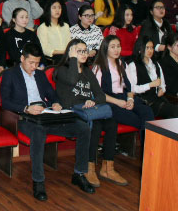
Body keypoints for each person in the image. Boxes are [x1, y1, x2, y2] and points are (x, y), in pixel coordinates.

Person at [1, 43, 95, 200]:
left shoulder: (39, 74)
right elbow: (5, 102)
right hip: (24, 118)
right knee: (38, 133)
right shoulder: (10, 75)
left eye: (37, 63)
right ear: (22, 58)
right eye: (31, 63)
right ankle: (38, 181)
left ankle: (79, 174)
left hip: (46, 115)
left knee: (83, 128)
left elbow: (52, 94)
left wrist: (56, 103)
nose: (34, 67)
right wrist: (26, 108)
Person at [53, 40, 128, 189]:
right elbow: (72, 79)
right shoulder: (61, 70)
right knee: (96, 126)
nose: (83, 54)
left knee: (111, 123)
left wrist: (92, 101)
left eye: (85, 51)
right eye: (79, 51)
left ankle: (108, 167)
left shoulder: (87, 71)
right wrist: (73, 60)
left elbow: (100, 95)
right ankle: (89, 167)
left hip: (88, 110)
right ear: (70, 52)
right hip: (73, 111)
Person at [92, 36, 154, 136]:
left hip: (123, 97)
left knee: (147, 112)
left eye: (118, 46)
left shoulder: (122, 63)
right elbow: (97, 93)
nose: (116, 50)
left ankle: (148, 145)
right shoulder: (99, 67)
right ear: (105, 48)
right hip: (109, 101)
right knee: (138, 120)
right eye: (113, 47)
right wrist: (118, 102)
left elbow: (129, 86)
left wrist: (130, 99)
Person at [126, 37, 178, 119]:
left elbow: (162, 83)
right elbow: (132, 88)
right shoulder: (133, 65)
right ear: (140, 49)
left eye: (152, 48)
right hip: (144, 102)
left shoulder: (156, 64)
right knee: (174, 111)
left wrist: (162, 89)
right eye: (147, 48)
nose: (150, 50)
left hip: (158, 99)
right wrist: (150, 85)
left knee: (175, 111)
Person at [36, 0, 71, 64]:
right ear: (48, 10)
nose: (57, 10)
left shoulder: (66, 26)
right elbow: (44, 49)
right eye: (54, 8)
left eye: (59, 8)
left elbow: (69, 43)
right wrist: (62, 52)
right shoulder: (43, 27)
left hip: (66, 56)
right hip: (52, 58)